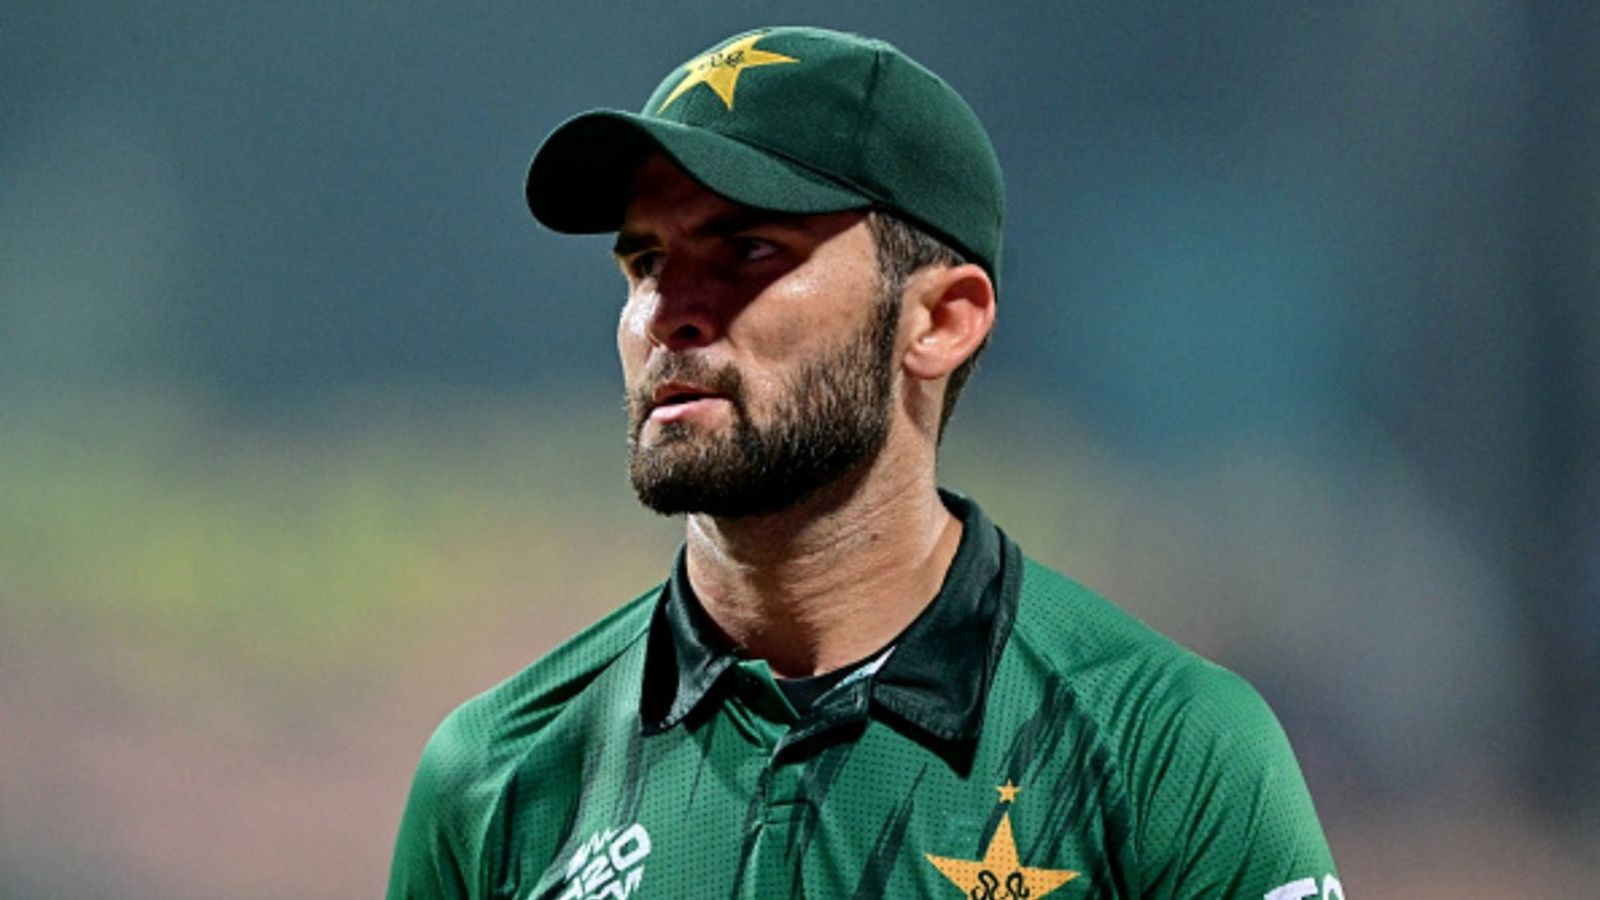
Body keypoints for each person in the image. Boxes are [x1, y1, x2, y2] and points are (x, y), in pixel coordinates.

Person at [387, 26, 1342, 900]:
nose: (667, 312)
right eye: (644, 262)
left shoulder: (1168, 752)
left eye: (749, 247)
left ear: (940, 320)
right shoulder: (496, 776)